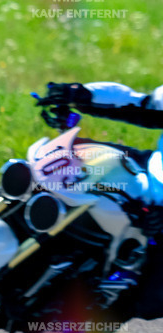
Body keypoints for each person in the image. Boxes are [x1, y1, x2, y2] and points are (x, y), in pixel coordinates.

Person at [38, 81, 163, 319]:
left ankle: (96, 316)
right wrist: (82, 93)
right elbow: (142, 105)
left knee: (151, 299)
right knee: (62, 158)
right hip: (151, 171)